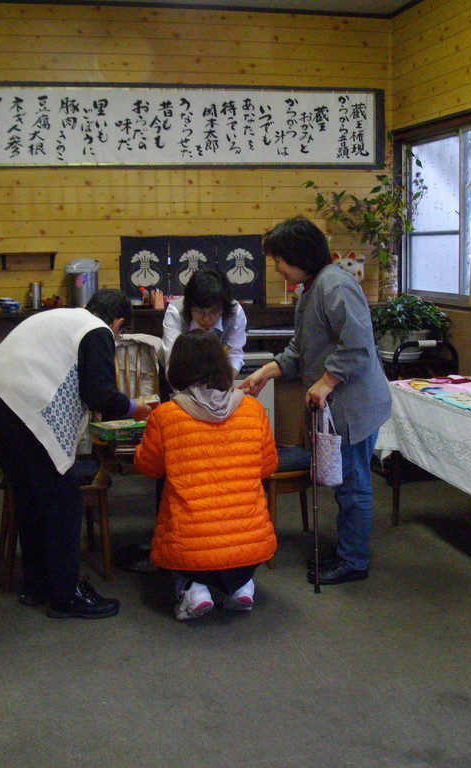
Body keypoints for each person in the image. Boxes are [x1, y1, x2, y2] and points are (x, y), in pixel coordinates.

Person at [0, 289, 152, 620]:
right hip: (24, 409)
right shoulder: (96, 329)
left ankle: (38, 585)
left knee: (30, 500)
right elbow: (100, 394)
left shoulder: (63, 318)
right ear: (118, 323)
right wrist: (135, 407)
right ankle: (66, 595)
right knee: (63, 502)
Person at [239, 216, 391, 585]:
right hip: (338, 406)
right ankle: (347, 550)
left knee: (353, 487)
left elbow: (358, 345)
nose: (277, 268)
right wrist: (266, 371)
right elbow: (301, 347)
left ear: (300, 256)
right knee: (344, 483)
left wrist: (327, 380)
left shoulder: (335, 284)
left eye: (279, 260)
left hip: (353, 405)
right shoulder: (312, 287)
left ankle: (354, 561)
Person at [134, 329, 278, 620]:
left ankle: (193, 590)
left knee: (180, 533)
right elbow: (268, 466)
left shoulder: (165, 416)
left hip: (190, 547)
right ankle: (242, 586)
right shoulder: (253, 410)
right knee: (235, 549)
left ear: (178, 368)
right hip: (249, 545)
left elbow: (149, 467)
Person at [161, 268, 247, 375]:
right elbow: (172, 363)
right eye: (199, 311)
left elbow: (234, 355)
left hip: (218, 376)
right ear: (189, 306)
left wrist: (225, 383)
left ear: (223, 307)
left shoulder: (235, 313)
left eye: (213, 311)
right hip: (182, 376)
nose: (206, 318)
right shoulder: (176, 312)